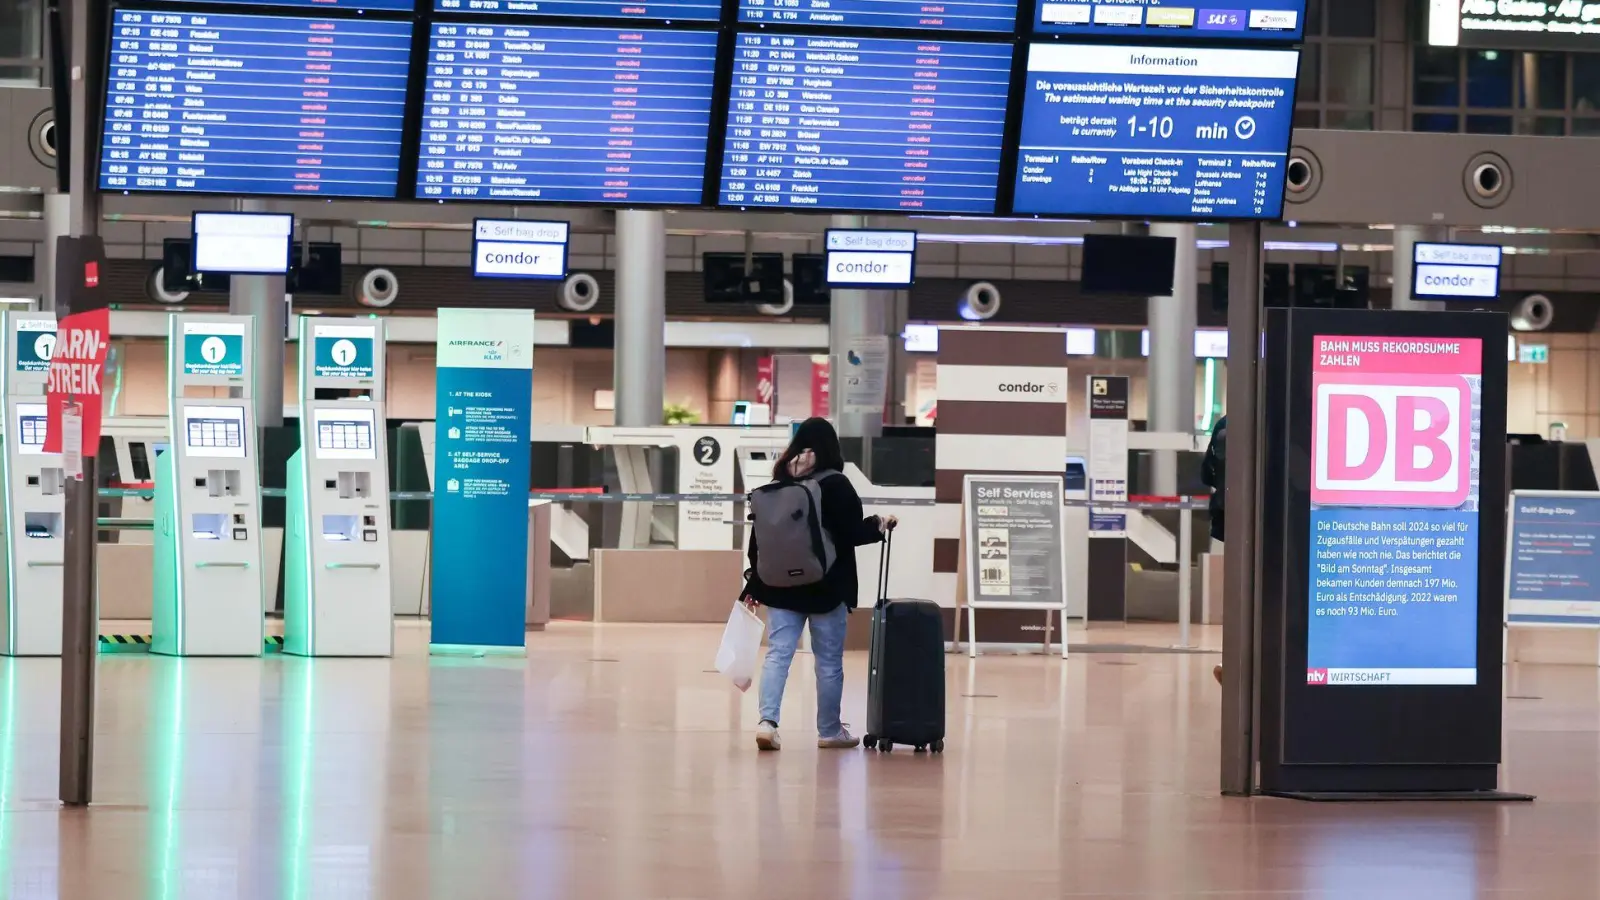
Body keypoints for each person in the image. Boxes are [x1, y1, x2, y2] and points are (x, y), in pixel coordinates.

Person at [742, 418, 895, 751]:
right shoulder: (836, 483)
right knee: (828, 662)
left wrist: (754, 581)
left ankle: (767, 723)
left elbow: (760, 541)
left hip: (780, 586)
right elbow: (852, 532)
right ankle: (829, 730)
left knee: (778, 655)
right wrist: (879, 525)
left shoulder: (779, 482)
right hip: (828, 585)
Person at [1200, 415, 1226, 684]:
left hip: (1232, 518)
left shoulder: (1225, 424)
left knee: (1239, 593)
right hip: (1280, 524)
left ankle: (1231, 658)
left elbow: (1206, 472)